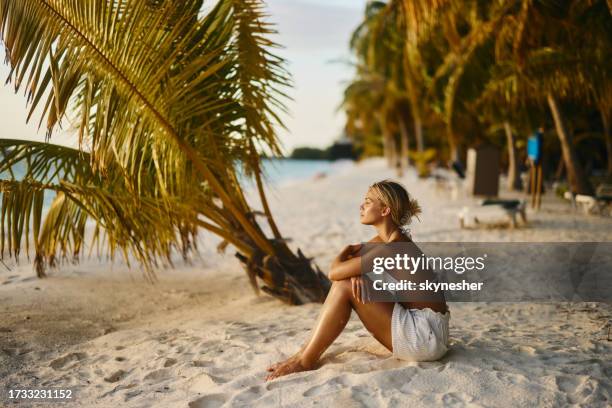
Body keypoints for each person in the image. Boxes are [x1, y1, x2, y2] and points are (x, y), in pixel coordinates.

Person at [265, 180, 450, 381]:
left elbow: (335, 272)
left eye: (368, 202)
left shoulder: (391, 248)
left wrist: (347, 259)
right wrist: (356, 273)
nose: (361, 206)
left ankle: (305, 360)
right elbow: (346, 267)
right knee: (348, 281)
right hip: (430, 330)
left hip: (423, 338)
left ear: (385, 210)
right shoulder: (389, 240)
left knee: (344, 286)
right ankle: (303, 354)